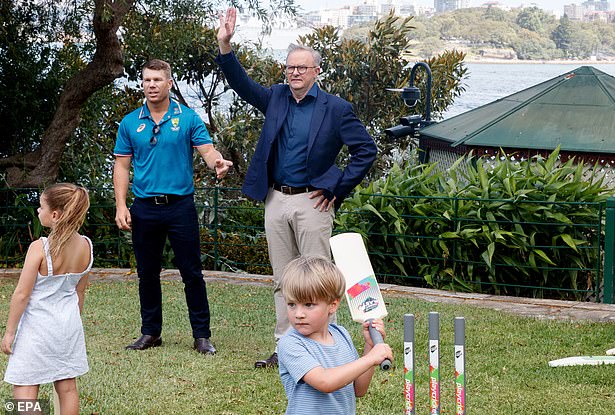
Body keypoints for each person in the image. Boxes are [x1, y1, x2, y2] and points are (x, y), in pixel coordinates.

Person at [216, 7, 378, 368]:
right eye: (289, 67)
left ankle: (326, 350)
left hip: (313, 203)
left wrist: (337, 187)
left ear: (316, 72)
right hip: (276, 199)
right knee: (283, 279)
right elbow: (241, 85)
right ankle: (284, 349)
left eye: (301, 68)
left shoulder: (336, 109)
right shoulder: (275, 97)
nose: (293, 73)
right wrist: (225, 47)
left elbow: (366, 150)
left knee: (319, 281)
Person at [113, 59, 232, 354]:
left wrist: (217, 162)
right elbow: (122, 167)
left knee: (192, 273)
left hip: (180, 207)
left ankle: (202, 335)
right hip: (144, 208)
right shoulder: (130, 122)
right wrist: (120, 205)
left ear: (169, 83)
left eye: (157, 80)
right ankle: (151, 332)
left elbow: (207, 151)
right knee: (147, 273)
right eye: (146, 80)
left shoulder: (188, 118)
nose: (151, 85)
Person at [2, 183, 93, 415]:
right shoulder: (86, 246)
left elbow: (22, 294)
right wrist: (72, 323)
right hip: (68, 327)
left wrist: (10, 332)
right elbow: (79, 293)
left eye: (41, 207)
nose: (38, 211)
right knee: (67, 387)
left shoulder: (39, 247)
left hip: (36, 329)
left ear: (54, 214)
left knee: (23, 388)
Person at [277, 256, 393, 414]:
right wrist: (370, 358)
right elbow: (325, 382)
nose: (298, 314)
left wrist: (370, 346)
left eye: (308, 305)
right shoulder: (290, 344)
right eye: (292, 304)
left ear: (333, 305)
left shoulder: (341, 335)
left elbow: (359, 389)